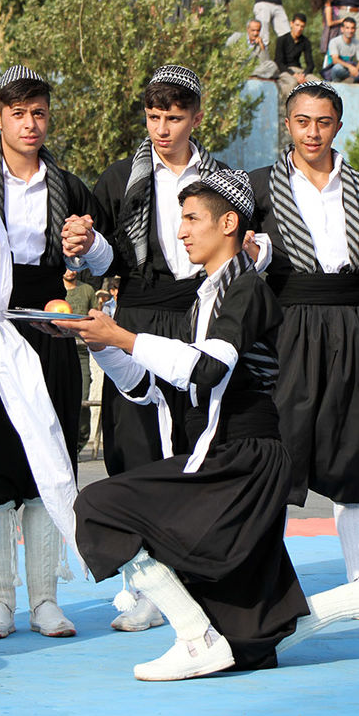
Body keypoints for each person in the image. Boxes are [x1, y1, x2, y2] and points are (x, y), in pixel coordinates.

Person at [58, 170, 359, 681]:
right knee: (252, 639)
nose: (180, 232)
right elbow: (152, 388)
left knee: (100, 506)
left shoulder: (246, 291)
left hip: (244, 460)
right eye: (180, 219)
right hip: (225, 454)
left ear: (228, 223)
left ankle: (194, 638)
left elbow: (207, 369)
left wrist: (125, 336)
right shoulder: (204, 296)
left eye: (191, 218)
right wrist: (104, 345)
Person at [0, 65, 110, 640]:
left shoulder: (69, 186)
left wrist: (87, 253)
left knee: (48, 459)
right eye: (18, 113)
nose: (29, 124)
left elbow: (102, 262)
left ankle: (47, 601)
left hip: (47, 332)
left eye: (39, 113)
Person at [248, 81, 359, 585]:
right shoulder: (257, 185)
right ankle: (263, 584)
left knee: (354, 449)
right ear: (288, 124)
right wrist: (254, 255)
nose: (312, 133)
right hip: (286, 327)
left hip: (354, 325)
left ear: (339, 125)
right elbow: (244, 259)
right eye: (302, 121)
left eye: (324, 122)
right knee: (278, 453)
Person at [92, 65, 225, 631]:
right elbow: (97, 261)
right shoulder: (120, 178)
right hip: (138, 310)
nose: (162, 128)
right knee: (134, 446)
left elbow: (245, 244)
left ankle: (198, 575)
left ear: (196, 116)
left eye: (174, 117)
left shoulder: (221, 178)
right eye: (153, 117)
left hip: (200, 310)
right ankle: (145, 586)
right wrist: (83, 245)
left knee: (199, 444)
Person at [64, 268, 98, 452]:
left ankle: (79, 442)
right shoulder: (54, 289)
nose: (70, 271)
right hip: (58, 348)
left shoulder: (87, 290)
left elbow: (95, 317)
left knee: (82, 398)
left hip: (81, 353)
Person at [325, 17, 359, 83]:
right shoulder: (334, 41)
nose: (350, 31)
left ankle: (351, 79)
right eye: (347, 28)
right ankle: (355, 78)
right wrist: (350, 67)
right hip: (337, 71)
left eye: (352, 28)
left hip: (352, 72)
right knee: (337, 67)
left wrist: (355, 70)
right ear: (342, 29)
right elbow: (335, 60)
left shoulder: (357, 43)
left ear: (355, 30)